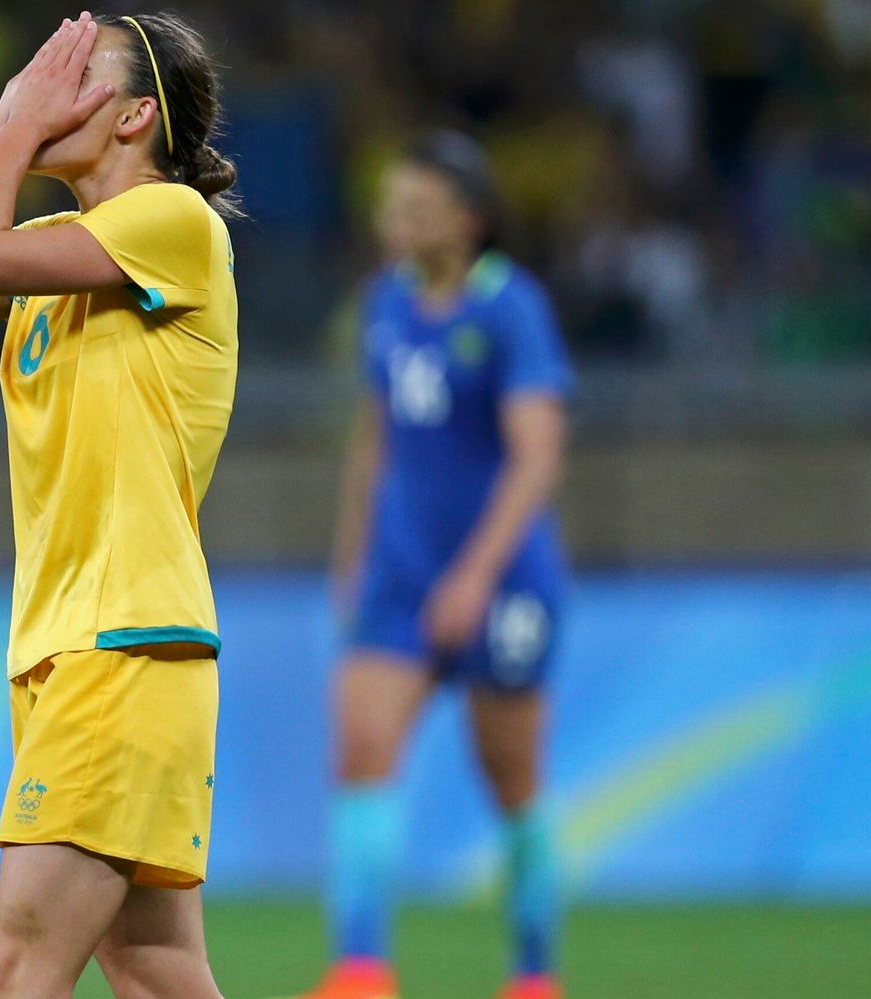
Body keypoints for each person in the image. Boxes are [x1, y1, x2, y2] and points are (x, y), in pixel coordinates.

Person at [0, 12, 239, 998]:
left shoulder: (170, 221)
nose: (44, 86)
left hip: (124, 642)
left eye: (74, 75)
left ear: (135, 116)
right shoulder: (61, 249)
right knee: (154, 970)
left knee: (16, 969)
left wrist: (17, 131)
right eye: (41, 72)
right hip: (70, 645)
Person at [304, 133, 573, 999]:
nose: (393, 221)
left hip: (502, 582)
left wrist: (475, 575)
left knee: (512, 777)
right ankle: (360, 967)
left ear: (467, 219)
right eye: (390, 206)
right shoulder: (383, 302)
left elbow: (537, 456)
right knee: (361, 748)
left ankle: (533, 974)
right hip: (399, 577)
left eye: (413, 207)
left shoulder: (510, 308)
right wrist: (353, 554)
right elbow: (374, 437)